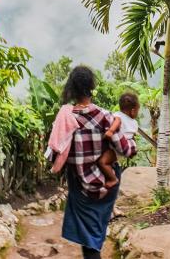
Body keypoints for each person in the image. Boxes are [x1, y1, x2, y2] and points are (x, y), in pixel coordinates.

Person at [49, 66, 136, 259]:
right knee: (94, 233)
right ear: (91, 87)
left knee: (89, 238)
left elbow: (55, 152)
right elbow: (126, 150)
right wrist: (131, 143)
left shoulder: (64, 118)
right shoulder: (105, 116)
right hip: (106, 184)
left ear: (71, 88)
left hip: (80, 185)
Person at [98, 92, 140, 189]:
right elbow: (132, 136)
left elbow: (117, 121)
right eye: (138, 110)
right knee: (108, 162)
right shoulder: (135, 123)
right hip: (126, 147)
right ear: (133, 111)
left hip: (116, 148)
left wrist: (110, 131)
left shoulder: (117, 115)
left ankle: (112, 179)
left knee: (102, 162)